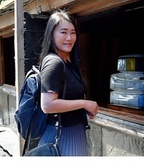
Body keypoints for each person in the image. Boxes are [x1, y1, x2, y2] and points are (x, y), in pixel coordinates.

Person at [35, 10, 97, 156]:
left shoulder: (67, 61)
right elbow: (48, 105)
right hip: (62, 136)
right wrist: (84, 103)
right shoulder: (54, 62)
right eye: (63, 32)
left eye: (73, 32)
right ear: (51, 34)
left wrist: (83, 108)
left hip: (74, 132)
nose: (69, 38)